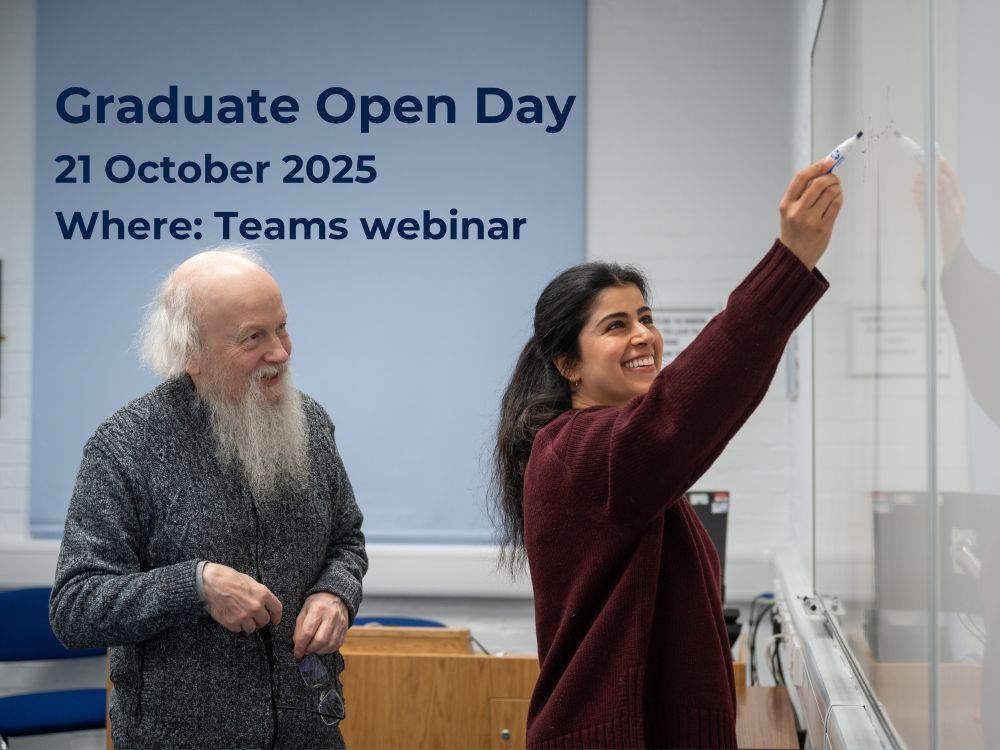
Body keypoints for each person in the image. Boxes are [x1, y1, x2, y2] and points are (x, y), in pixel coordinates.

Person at [491, 159, 843, 749]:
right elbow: (683, 414)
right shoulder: (577, 451)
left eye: (646, 318)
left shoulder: (607, 449)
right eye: (616, 325)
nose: (644, 336)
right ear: (567, 364)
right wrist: (789, 263)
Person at [49, 247, 368, 750]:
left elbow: (346, 541)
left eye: (281, 327)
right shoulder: (126, 447)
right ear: (190, 352)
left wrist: (335, 594)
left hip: (311, 731)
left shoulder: (311, 423)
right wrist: (195, 585)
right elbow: (76, 607)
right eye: (253, 337)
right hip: (179, 737)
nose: (280, 352)